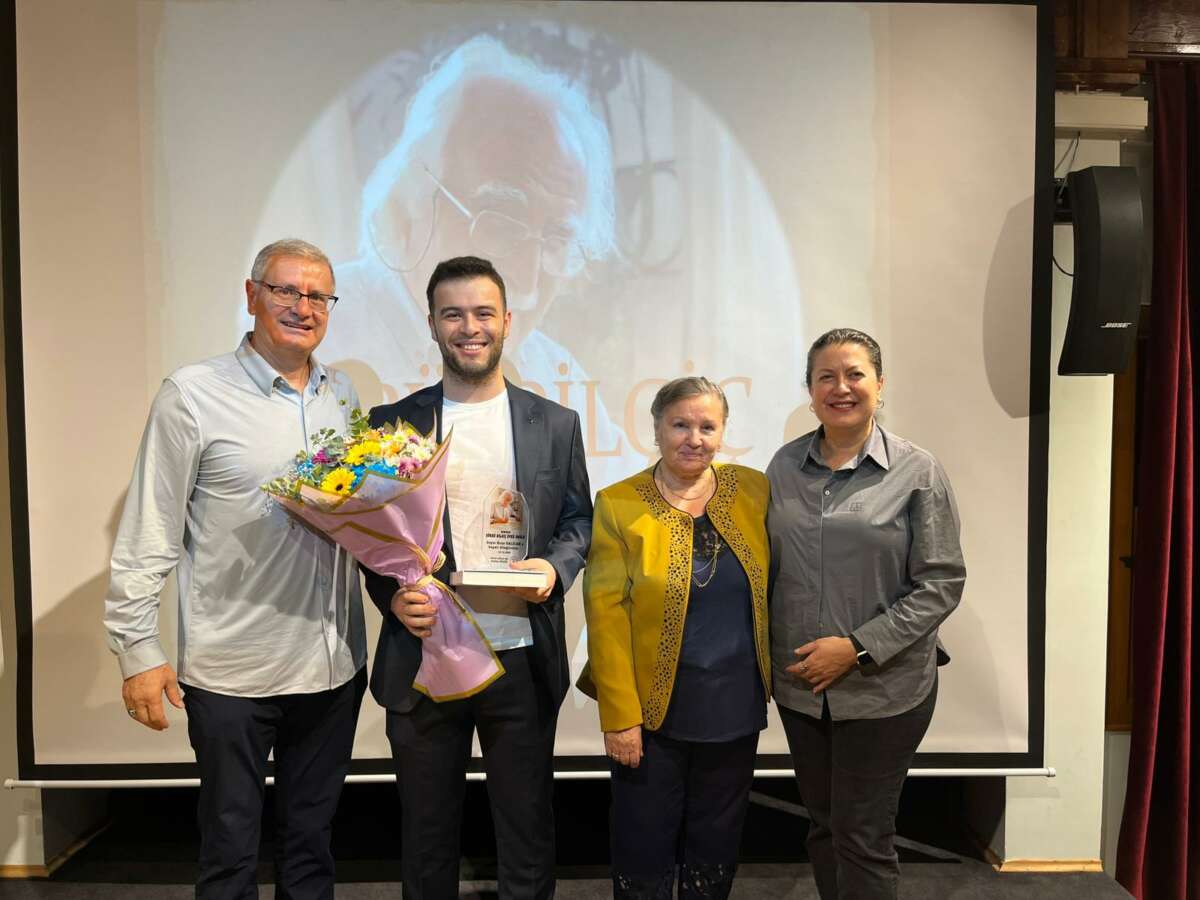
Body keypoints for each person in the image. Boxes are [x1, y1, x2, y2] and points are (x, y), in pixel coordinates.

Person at [104, 239, 367, 899]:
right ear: (252, 296)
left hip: (332, 665)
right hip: (231, 672)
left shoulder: (343, 394)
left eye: (318, 296)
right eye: (286, 290)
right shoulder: (192, 394)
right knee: (228, 853)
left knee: (311, 852)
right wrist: (137, 649)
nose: (302, 307)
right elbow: (151, 528)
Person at [362, 256, 592, 899]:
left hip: (520, 656)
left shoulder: (556, 423)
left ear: (507, 321)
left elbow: (578, 520)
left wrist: (555, 567)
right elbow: (370, 537)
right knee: (426, 835)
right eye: (453, 314)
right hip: (425, 652)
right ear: (432, 324)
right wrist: (392, 598)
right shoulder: (391, 424)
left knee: (527, 831)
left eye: (483, 313)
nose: (470, 327)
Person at [766, 328, 966, 899]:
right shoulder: (783, 466)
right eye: (825, 376)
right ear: (810, 391)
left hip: (884, 689)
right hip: (802, 688)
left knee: (862, 833)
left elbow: (941, 583)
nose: (841, 387)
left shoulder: (917, 470)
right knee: (825, 827)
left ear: (880, 385)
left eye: (854, 374)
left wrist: (855, 648)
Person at [580, 376, 771, 898]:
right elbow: (606, 616)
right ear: (657, 429)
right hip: (651, 717)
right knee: (643, 844)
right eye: (680, 425)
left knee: (717, 844)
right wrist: (619, 717)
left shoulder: (754, 490)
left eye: (708, 426)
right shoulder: (619, 503)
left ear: (723, 431)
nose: (694, 438)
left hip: (734, 707)